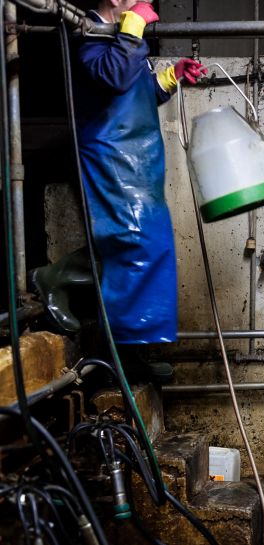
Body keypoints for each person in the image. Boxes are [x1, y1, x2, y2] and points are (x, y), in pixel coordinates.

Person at [34, 1, 206, 383]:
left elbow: (133, 89)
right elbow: (110, 78)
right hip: (111, 152)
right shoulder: (87, 35)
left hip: (139, 156)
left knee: (144, 245)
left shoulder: (119, 37)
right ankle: (58, 283)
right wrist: (133, 27)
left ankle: (130, 353)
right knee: (129, 241)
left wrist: (169, 78)